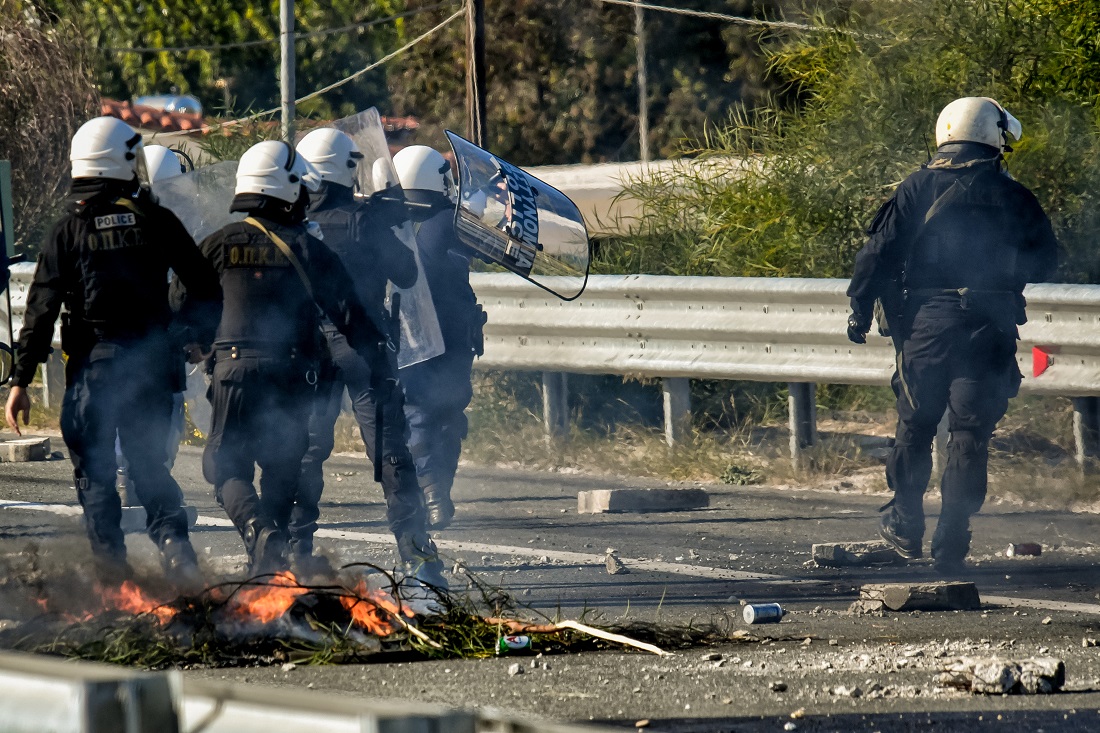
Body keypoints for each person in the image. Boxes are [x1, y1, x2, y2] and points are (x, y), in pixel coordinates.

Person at [4, 117, 222, 587]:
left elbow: (40, 309)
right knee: (149, 468)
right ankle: (178, 557)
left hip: (93, 375)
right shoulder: (156, 219)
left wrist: (21, 380)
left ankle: (115, 587)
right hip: (150, 370)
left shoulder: (69, 229)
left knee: (97, 480)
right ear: (121, 162)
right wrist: (197, 337)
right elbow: (205, 283)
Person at [846, 97, 1058, 573]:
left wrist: (859, 306)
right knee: (969, 433)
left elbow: (878, 253)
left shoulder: (917, 185)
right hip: (990, 324)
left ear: (946, 132)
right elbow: (1047, 259)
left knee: (917, 425)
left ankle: (905, 525)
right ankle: (952, 539)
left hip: (928, 325)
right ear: (992, 136)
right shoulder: (1014, 194)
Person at [177, 139, 401, 577]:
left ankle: (259, 534)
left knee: (225, 465)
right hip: (296, 375)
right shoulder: (308, 249)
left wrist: (193, 343)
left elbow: (180, 305)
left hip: (234, 375)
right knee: (282, 470)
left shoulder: (218, 244)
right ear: (285, 188)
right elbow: (352, 315)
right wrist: (380, 364)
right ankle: (270, 563)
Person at [291, 129, 447, 587]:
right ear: (345, 167)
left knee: (306, 452)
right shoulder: (364, 219)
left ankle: (294, 553)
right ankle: (418, 557)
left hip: (310, 349)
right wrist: (386, 221)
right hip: (363, 345)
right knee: (391, 453)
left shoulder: (296, 222)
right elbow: (405, 271)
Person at [393, 145, 485, 531]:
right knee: (447, 414)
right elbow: (497, 244)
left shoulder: (388, 223)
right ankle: (437, 493)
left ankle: (430, 494)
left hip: (410, 338)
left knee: (418, 415)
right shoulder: (451, 220)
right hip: (453, 341)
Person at [114, 145, 191, 498]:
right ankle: (143, 479)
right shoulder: (167, 224)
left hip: (129, 336)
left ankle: (131, 477)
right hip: (161, 335)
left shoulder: (121, 219)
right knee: (165, 410)